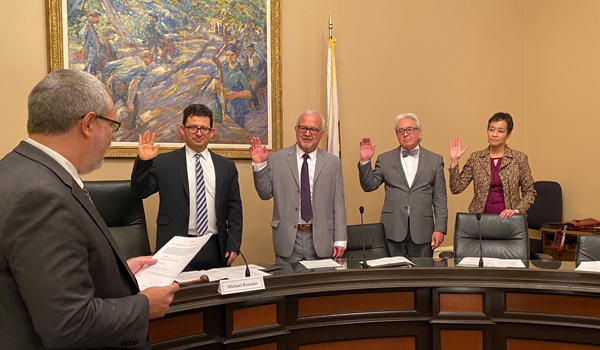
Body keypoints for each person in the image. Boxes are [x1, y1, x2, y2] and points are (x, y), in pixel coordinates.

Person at [0, 69, 178, 349]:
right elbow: (68, 324)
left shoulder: (17, 169)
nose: (110, 137)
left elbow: (42, 278)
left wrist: (117, 272)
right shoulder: (41, 196)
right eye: (112, 126)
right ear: (89, 124)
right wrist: (144, 306)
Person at [131, 104, 243, 271]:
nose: (199, 133)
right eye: (193, 128)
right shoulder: (164, 163)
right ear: (182, 129)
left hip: (215, 245)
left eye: (204, 129)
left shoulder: (226, 166)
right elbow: (139, 191)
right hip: (176, 245)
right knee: (178, 295)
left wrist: (234, 243)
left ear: (211, 132)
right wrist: (144, 162)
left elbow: (234, 208)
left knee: (214, 294)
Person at [250, 110, 347, 262]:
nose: (307, 133)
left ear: (321, 133)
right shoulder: (277, 159)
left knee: (320, 284)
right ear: (296, 130)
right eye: (303, 128)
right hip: (287, 238)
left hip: (321, 237)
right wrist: (259, 165)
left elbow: (338, 203)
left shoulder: (332, 162)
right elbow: (265, 193)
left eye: (313, 129)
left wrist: (340, 239)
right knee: (287, 284)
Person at [358, 113, 447, 258]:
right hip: (392, 231)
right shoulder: (385, 159)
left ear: (419, 131)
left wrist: (440, 229)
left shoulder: (435, 160)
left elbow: (440, 198)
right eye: (401, 131)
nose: (405, 134)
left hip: (423, 231)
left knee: (421, 277)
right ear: (397, 135)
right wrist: (365, 161)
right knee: (393, 277)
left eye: (410, 129)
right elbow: (369, 186)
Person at [449, 112, 536, 218]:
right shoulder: (476, 158)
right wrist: (454, 161)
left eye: (500, 131)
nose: (494, 134)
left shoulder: (519, 158)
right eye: (491, 129)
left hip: (509, 221)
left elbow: (530, 192)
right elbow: (456, 188)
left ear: (508, 134)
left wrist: (516, 211)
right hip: (480, 221)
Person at [102, 50, 153, 129]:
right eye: (151, 59)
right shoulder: (143, 68)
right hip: (122, 85)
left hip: (112, 82)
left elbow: (109, 65)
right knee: (134, 104)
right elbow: (133, 84)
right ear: (149, 58)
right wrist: (130, 102)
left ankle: (103, 123)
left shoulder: (130, 59)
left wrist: (105, 77)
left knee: (111, 103)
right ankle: (132, 125)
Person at [213, 45, 252, 128]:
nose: (229, 57)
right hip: (223, 106)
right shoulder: (224, 68)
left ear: (237, 55)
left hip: (237, 108)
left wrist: (235, 95)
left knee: (236, 131)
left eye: (232, 55)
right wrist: (216, 86)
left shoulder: (241, 72)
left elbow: (249, 94)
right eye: (227, 55)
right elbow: (217, 80)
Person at [79, 10, 102, 75]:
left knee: (93, 63)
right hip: (90, 47)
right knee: (90, 62)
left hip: (93, 47)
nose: (98, 20)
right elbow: (82, 36)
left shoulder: (91, 26)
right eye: (97, 18)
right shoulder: (87, 26)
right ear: (91, 17)